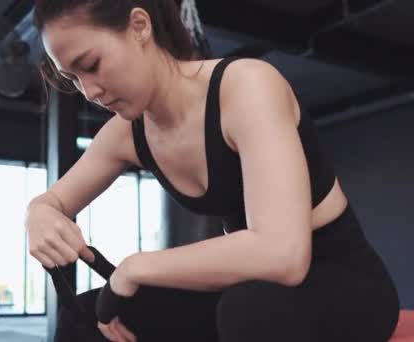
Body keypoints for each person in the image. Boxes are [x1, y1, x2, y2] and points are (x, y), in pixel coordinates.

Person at [25, 1, 400, 341]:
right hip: (249, 283)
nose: (88, 92)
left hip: (343, 280)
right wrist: (37, 213)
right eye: (72, 78)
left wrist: (136, 266)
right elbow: (54, 200)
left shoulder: (245, 86)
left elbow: (283, 254)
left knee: (250, 312)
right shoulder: (126, 133)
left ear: (139, 26)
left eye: (91, 66)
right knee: (87, 319)